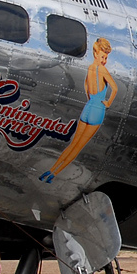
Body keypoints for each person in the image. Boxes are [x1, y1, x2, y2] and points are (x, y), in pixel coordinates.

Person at [41, 38, 117, 182]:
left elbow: (87, 86)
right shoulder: (102, 70)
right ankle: (53, 175)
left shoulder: (90, 68)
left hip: (88, 107)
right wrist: (107, 103)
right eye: (103, 56)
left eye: (106, 58)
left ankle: (50, 170)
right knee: (78, 148)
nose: (104, 60)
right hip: (97, 109)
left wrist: (91, 98)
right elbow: (115, 88)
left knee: (72, 144)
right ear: (96, 54)